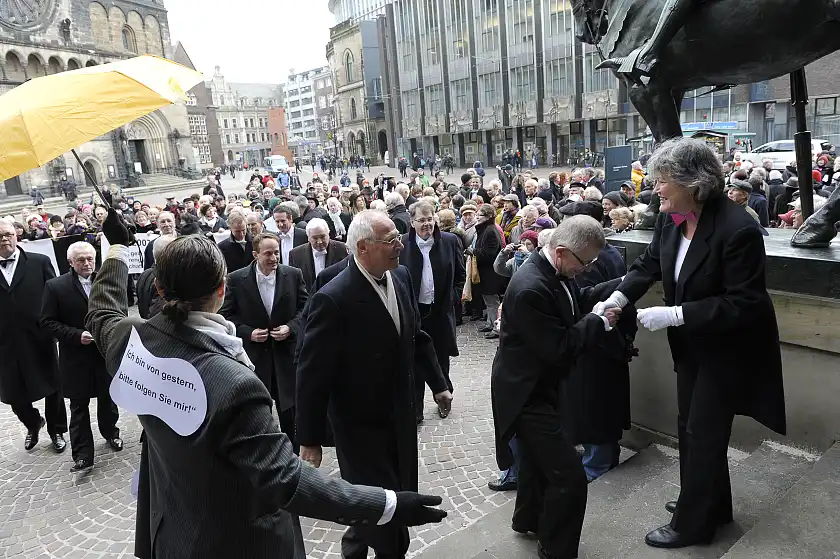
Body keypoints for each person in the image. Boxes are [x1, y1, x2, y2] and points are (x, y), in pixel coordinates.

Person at [86, 211, 448, 558]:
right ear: (222, 290)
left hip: (171, 531)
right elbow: (287, 480)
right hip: (240, 541)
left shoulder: (131, 342)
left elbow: (102, 312)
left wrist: (115, 250)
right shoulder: (235, 385)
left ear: (160, 290)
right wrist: (389, 504)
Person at [594, 138, 785, 549]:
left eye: (663, 180)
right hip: (692, 347)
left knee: (703, 431)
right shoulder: (672, 215)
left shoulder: (739, 229)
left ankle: (693, 525)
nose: (655, 188)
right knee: (692, 427)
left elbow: (746, 303)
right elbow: (649, 265)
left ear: (694, 183)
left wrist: (677, 314)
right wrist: (619, 297)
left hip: (728, 349)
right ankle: (712, 503)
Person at [296, 210, 453, 559]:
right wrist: (309, 439)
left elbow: (416, 336)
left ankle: (355, 549)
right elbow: (312, 371)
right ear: (363, 247)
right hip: (361, 428)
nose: (401, 245)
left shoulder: (401, 276)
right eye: (391, 240)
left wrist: (438, 384)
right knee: (389, 514)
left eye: (399, 237)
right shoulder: (334, 296)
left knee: (381, 501)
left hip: (401, 418)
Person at [491, 216, 622, 559]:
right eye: (586, 262)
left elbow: (576, 300)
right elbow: (560, 347)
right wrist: (598, 321)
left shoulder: (554, 271)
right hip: (525, 395)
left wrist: (623, 285)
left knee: (536, 462)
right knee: (569, 476)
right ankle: (556, 549)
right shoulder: (531, 286)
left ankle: (528, 519)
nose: (588, 268)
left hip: (539, 387)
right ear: (562, 252)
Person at [220, 233, 308, 450]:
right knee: (260, 411)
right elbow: (226, 315)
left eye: (276, 252)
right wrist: (248, 333)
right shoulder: (237, 279)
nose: (274, 258)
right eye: (268, 253)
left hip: (286, 356)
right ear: (255, 254)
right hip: (256, 358)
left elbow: (305, 309)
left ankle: (296, 459)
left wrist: (290, 328)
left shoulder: (293, 274)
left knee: (291, 413)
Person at [40, 241, 122, 473]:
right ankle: (83, 455)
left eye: (90, 259)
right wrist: (77, 335)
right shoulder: (55, 287)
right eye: (81, 260)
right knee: (78, 407)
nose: (87, 264)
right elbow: (47, 322)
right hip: (75, 357)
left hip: (104, 352)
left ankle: (111, 433)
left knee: (109, 399)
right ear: (70, 262)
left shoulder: (105, 282)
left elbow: (119, 311)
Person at [0, 219, 67, 452]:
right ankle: (33, 422)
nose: (4, 239)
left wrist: (58, 327)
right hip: (5, 342)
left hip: (40, 335)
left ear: (17, 235)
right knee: (12, 391)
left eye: (8, 233)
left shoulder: (40, 262)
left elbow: (55, 295)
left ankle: (57, 430)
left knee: (52, 384)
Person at [399, 201, 466, 422]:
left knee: (441, 359)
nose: (427, 224)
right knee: (414, 360)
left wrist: (452, 299)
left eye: (430, 219)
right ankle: (415, 408)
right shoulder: (401, 244)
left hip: (440, 312)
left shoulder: (450, 241)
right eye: (422, 220)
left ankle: (444, 399)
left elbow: (460, 276)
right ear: (412, 222)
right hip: (413, 313)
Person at [288, 218, 349, 293]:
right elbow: (294, 284)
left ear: (328, 233)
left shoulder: (342, 249)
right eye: (315, 238)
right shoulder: (296, 255)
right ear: (308, 238)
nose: (319, 241)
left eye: (323, 237)